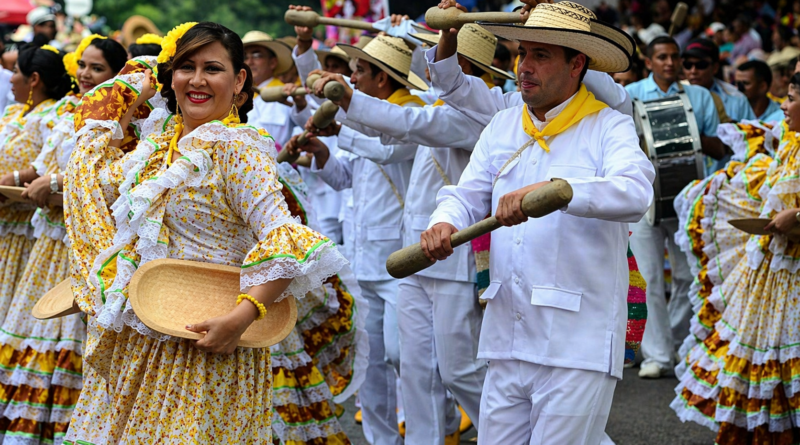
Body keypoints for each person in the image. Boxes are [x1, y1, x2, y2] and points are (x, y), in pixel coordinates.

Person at [62, 22, 346, 443]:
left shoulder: (237, 148)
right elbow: (87, 182)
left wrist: (241, 318)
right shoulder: (158, 147)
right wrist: (130, 98)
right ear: (170, 77)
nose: (196, 80)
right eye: (185, 67)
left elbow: (285, 238)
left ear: (239, 81)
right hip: (142, 336)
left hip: (207, 341)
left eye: (212, 68)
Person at [420, 2, 653, 443]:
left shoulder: (609, 126)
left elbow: (635, 192)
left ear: (577, 64)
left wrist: (558, 190)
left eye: (540, 56)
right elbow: (465, 194)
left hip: (578, 343)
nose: (524, 67)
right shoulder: (504, 124)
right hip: (507, 334)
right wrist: (444, 222)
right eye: (522, 53)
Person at [308, 23, 515, 445]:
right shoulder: (435, 105)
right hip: (413, 251)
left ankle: (511, 435)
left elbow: (404, 125)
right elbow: (392, 127)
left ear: (466, 69)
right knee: (412, 366)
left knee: (459, 370)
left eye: (441, 56)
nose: (431, 64)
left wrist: (347, 99)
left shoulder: (481, 116)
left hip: (453, 255)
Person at [286, 35, 423, 445]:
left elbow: (386, 152)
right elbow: (347, 177)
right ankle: (383, 440)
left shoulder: (413, 114)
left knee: (408, 360)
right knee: (370, 362)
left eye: (360, 72)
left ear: (383, 77)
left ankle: (430, 433)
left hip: (402, 260)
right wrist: (323, 153)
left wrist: (338, 129)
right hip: (364, 258)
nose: (353, 79)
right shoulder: (370, 117)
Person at [0, 35, 126, 444]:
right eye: (84, 66)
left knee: (69, 339)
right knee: (33, 328)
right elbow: (40, 166)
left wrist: (53, 184)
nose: (87, 75)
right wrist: (26, 181)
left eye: (98, 69)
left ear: (117, 75)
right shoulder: (69, 110)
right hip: (50, 240)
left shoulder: (123, 120)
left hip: (83, 247)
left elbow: (112, 183)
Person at [671, 73, 800, 445]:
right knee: (758, 361)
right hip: (773, 272)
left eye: (790, 98)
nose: (783, 105)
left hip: (790, 273)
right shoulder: (790, 142)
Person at [625, 35, 724, 379]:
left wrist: (691, 134)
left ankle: (678, 345)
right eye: (662, 57)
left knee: (686, 277)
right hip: (645, 201)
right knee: (649, 279)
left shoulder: (699, 97)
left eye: (674, 57)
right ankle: (657, 356)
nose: (670, 62)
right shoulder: (631, 95)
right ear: (649, 62)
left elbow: (717, 147)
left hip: (687, 201)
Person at [242, 30, 296, 146]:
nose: (250, 62)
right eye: (245, 57)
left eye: (257, 55)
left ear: (272, 62)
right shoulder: (238, 96)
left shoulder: (287, 94)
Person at [683, 38, 756, 123]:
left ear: (715, 68)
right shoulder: (674, 95)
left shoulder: (736, 99)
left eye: (701, 65)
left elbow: (751, 132)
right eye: (687, 65)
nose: (693, 71)